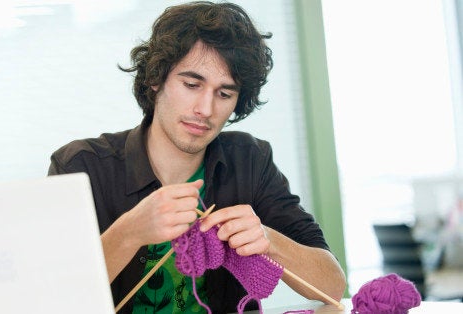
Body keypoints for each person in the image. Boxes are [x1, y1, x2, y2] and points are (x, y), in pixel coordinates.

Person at [48, 1, 346, 312]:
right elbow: (51, 301)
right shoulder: (81, 167)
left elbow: (333, 287)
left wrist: (269, 241)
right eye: (192, 84)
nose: (205, 109)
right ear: (156, 78)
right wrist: (130, 232)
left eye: (224, 93)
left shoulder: (249, 161)